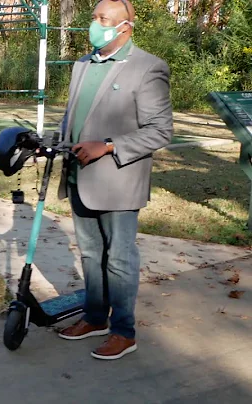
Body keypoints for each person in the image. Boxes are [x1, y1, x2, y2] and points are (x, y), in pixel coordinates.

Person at [55, 0, 173, 360]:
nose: (94, 25)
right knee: (91, 254)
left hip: (118, 184)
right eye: (94, 17)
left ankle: (124, 331)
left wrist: (107, 146)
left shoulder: (148, 67)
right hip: (80, 177)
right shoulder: (83, 64)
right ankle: (95, 317)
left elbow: (161, 131)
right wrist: (56, 142)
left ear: (125, 27)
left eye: (102, 19)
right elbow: (74, 115)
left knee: (119, 259)